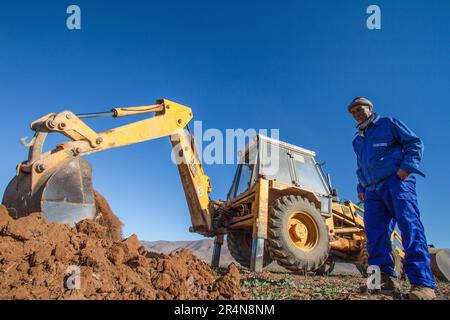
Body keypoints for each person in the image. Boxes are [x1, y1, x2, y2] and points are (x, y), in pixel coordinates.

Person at [348, 97, 436, 300]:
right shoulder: (357, 140)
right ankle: (381, 283)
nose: (357, 113)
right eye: (353, 112)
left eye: (360, 109)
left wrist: (406, 169)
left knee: (409, 228)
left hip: (397, 183)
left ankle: (423, 285)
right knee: (375, 237)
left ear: (370, 109)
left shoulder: (388, 123)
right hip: (372, 191)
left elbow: (414, 143)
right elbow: (361, 166)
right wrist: (361, 187)